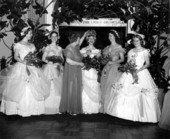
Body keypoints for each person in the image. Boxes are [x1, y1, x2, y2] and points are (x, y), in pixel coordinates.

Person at [105, 34, 161, 123]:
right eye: (134, 40)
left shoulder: (144, 51)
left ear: (141, 41)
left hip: (140, 72)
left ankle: (142, 115)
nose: (135, 42)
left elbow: (147, 64)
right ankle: (123, 113)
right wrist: (127, 68)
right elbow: (127, 62)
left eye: (137, 41)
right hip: (129, 72)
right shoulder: (131, 51)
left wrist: (138, 70)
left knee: (140, 92)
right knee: (123, 90)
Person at [0, 26, 50, 117]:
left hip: (32, 67)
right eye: (30, 33)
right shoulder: (18, 44)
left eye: (31, 33)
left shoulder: (32, 45)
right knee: (20, 86)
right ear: (25, 34)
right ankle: (18, 109)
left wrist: (33, 61)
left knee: (35, 84)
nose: (31, 35)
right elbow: (15, 57)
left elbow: (34, 56)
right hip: (21, 66)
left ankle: (33, 109)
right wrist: (24, 62)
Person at [59, 31, 87, 115]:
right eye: (79, 38)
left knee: (75, 88)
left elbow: (80, 42)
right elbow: (68, 61)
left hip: (76, 70)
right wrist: (80, 64)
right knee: (72, 88)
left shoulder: (75, 46)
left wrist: (84, 35)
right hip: (71, 70)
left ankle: (72, 108)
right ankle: (71, 109)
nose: (80, 40)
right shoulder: (69, 48)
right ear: (76, 39)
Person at [100, 30, 125, 113]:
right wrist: (103, 61)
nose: (109, 37)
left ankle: (112, 108)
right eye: (109, 36)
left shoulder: (119, 47)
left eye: (111, 36)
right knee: (105, 86)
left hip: (115, 68)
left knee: (112, 86)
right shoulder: (107, 48)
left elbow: (122, 59)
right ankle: (105, 107)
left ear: (115, 36)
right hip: (107, 68)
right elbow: (103, 58)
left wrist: (113, 62)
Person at [42, 30, 63, 114]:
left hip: (58, 68)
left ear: (58, 37)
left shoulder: (60, 48)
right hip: (50, 68)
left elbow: (62, 58)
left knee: (58, 87)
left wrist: (59, 62)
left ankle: (57, 107)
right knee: (50, 86)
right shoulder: (47, 47)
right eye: (52, 36)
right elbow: (43, 59)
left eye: (55, 36)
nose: (54, 38)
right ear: (50, 37)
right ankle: (48, 107)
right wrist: (50, 62)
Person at [80, 30, 101, 114]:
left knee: (93, 86)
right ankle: (84, 107)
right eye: (89, 39)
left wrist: (95, 61)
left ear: (95, 40)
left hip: (93, 71)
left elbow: (99, 62)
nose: (91, 40)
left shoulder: (97, 51)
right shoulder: (83, 49)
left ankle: (94, 108)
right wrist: (86, 55)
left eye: (93, 39)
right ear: (87, 40)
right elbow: (81, 59)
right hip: (85, 70)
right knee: (84, 87)